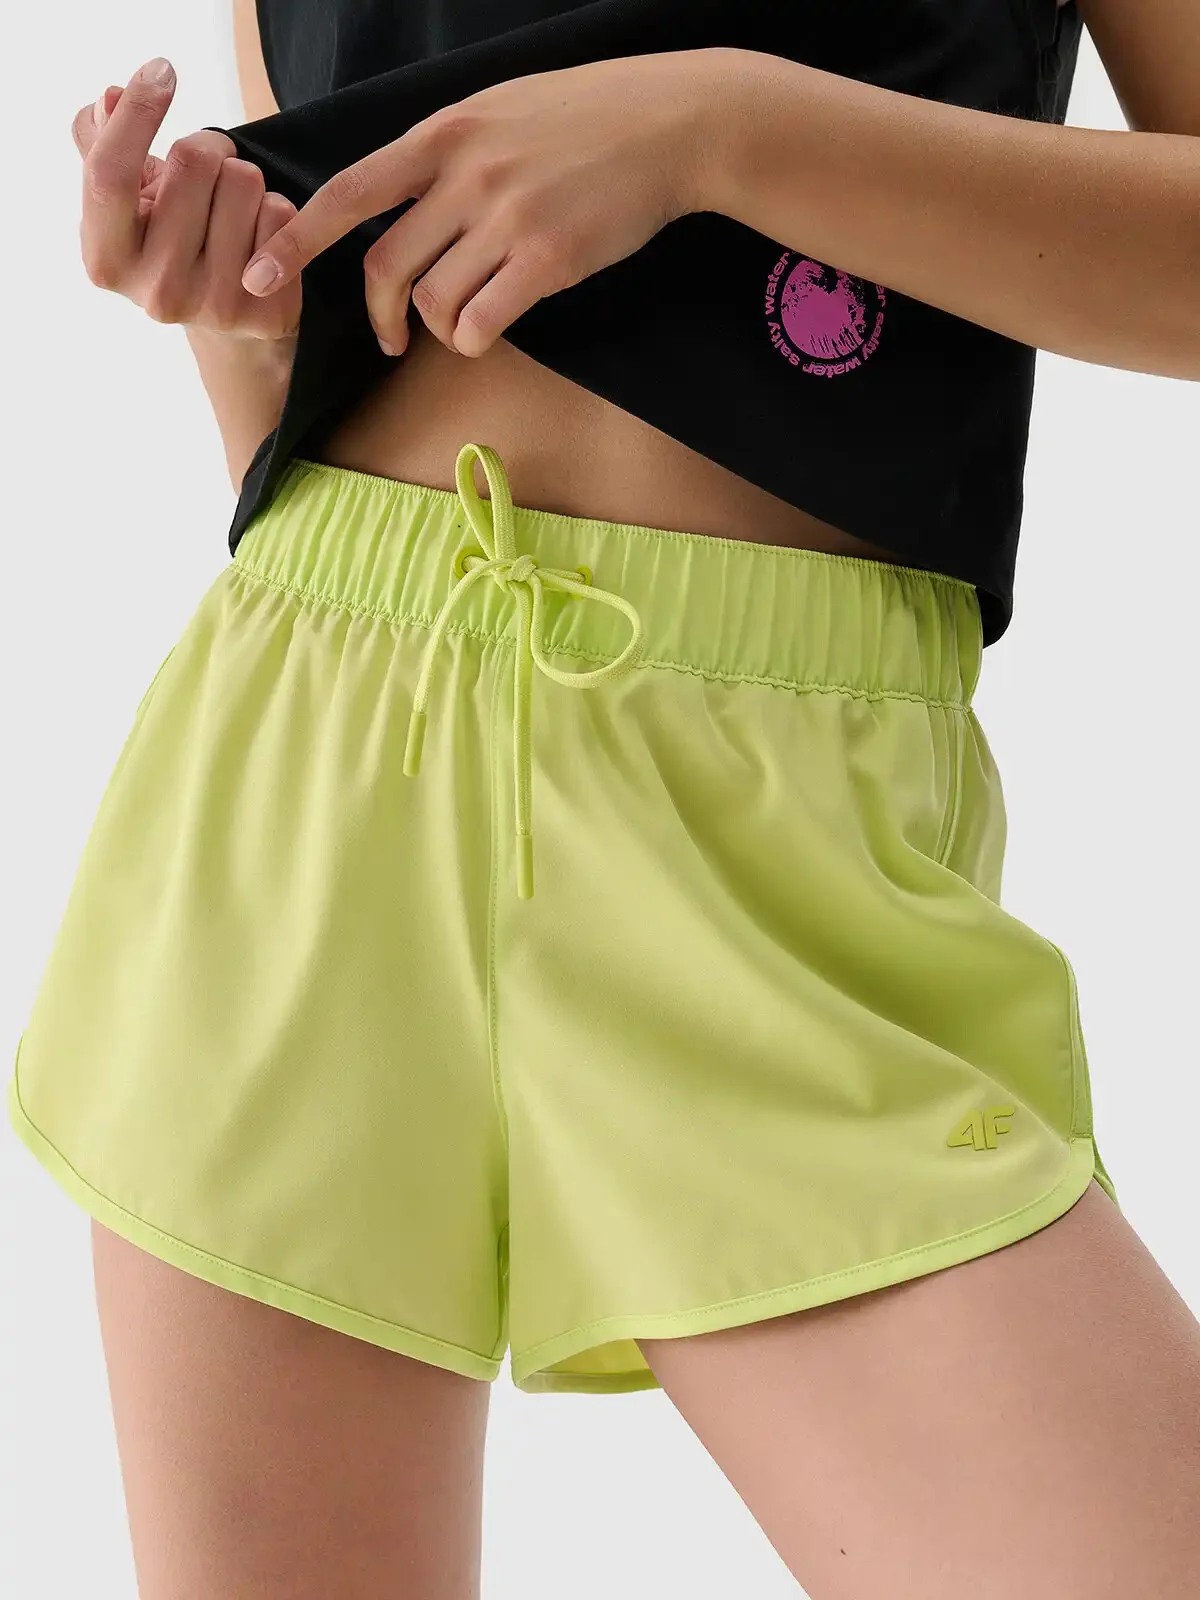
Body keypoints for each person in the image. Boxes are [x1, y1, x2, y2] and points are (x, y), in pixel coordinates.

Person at [9, 1, 1200, 1594]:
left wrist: (719, 131)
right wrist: (227, 293)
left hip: (767, 858)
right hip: (309, 776)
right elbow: (298, 392)